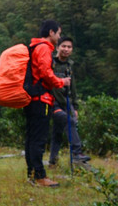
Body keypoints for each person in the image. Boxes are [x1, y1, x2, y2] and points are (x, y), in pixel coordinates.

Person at [24, 20, 70, 187]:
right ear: (51, 32)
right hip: (40, 99)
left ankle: (32, 174)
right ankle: (40, 176)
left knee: (31, 137)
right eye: (58, 33)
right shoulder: (43, 48)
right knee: (38, 139)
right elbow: (45, 72)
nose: (59, 37)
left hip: (31, 98)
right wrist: (61, 82)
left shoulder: (34, 47)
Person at [48, 37, 92, 169]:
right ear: (58, 47)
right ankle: (77, 152)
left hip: (66, 102)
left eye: (69, 47)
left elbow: (73, 87)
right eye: (64, 46)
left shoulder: (69, 65)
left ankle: (52, 162)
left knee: (57, 132)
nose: (66, 49)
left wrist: (75, 106)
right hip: (53, 103)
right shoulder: (50, 62)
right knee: (69, 121)